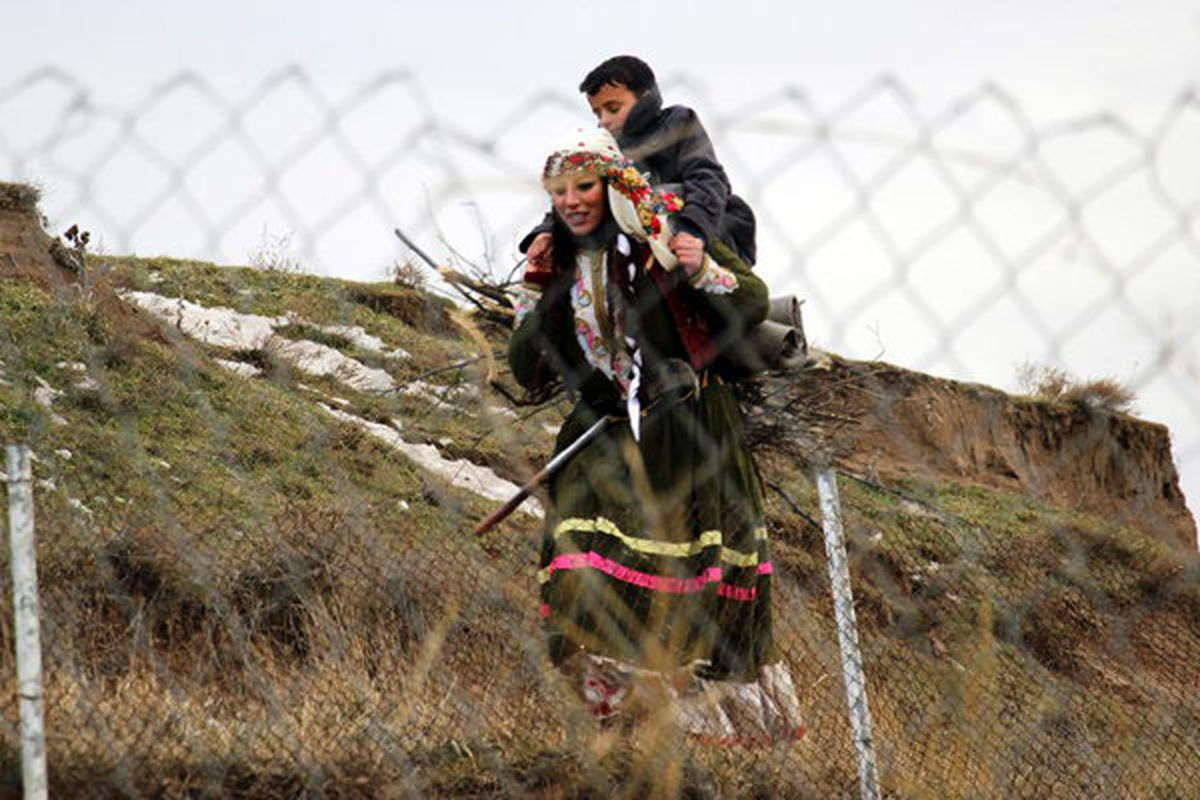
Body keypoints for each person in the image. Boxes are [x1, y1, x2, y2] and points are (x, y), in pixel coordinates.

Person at [508, 127, 802, 743]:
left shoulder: (663, 235)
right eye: (559, 191)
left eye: (584, 186)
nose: (571, 201)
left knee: (686, 574)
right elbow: (524, 365)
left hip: (687, 429)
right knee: (584, 557)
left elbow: (747, 300)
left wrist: (697, 268)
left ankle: (679, 730)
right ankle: (611, 719)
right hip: (604, 431)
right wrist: (533, 303)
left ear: (613, 184)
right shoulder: (554, 260)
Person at [521, 55, 757, 289]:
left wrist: (692, 231)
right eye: (597, 113)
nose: (604, 120)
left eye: (613, 109)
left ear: (646, 99)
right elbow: (578, 195)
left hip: (696, 231)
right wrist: (546, 232)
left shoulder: (676, 122)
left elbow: (707, 179)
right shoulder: (602, 147)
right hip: (633, 249)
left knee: (663, 193)